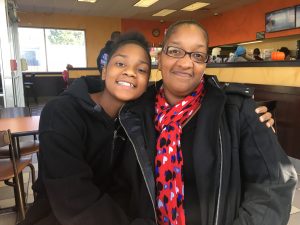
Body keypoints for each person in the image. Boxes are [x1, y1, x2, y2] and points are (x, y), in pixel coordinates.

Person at [112, 20, 297, 225]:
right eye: (175, 51)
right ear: (161, 56)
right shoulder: (133, 113)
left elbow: (274, 184)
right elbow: (119, 186)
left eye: (197, 55)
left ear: (205, 63)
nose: (185, 63)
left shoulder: (237, 110)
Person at [19, 32, 152, 225]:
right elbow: (71, 200)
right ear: (104, 71)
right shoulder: (61, 112)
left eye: (141, 69)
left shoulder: (135, 123)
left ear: (146, 84)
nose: (130, 72)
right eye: (121, 64)